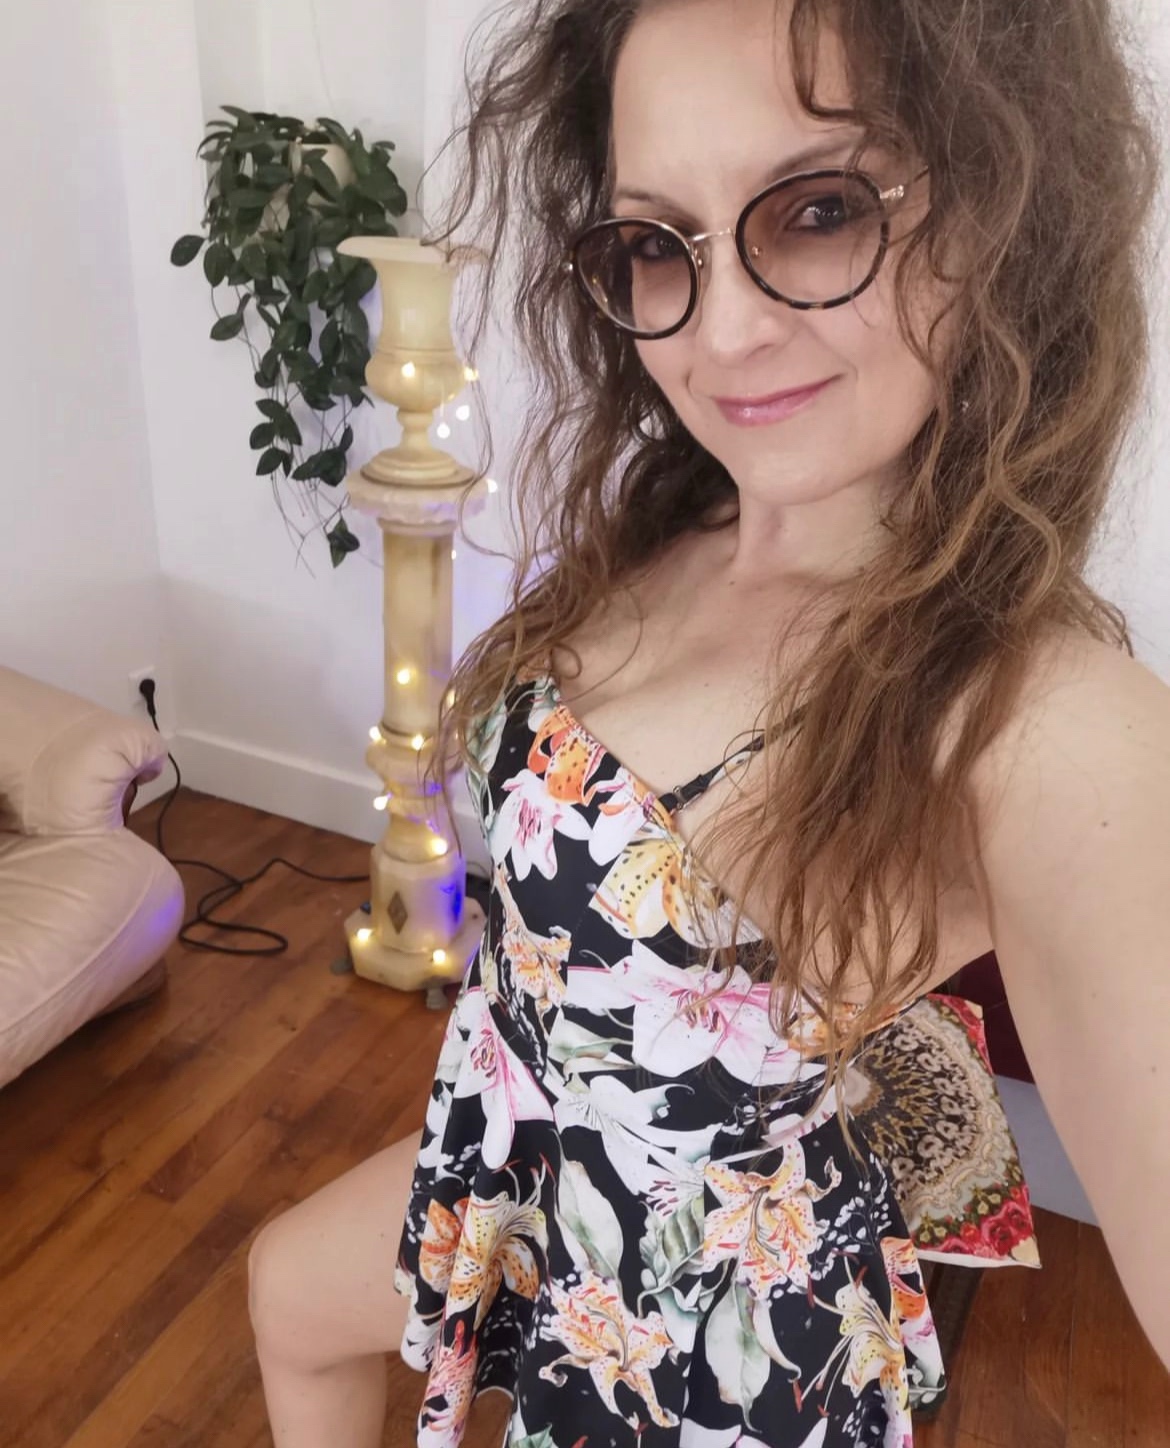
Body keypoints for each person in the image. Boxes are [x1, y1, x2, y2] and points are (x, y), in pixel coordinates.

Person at [246, 0, 1170, 1443]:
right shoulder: (672, 525)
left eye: (819, 210)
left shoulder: (1038, 720)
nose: (724, 332)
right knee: (285, 1292)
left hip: (702, 1317)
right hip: (519, 1148)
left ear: (1006, 212)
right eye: (656, 243)